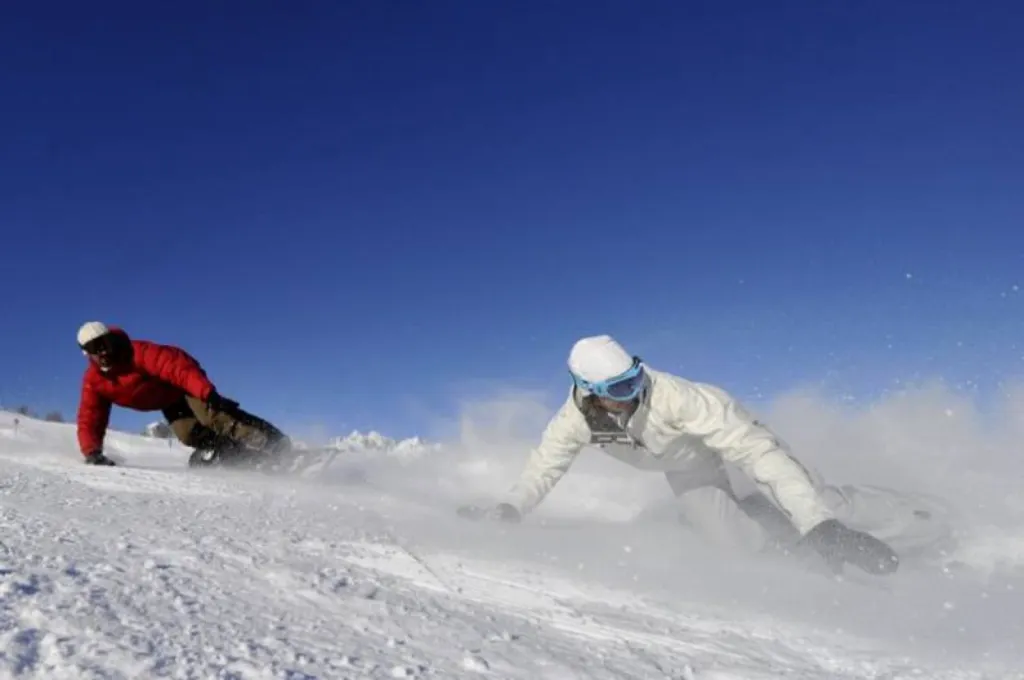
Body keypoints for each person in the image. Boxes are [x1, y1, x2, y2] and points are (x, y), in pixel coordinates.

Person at [470, 335, 956, 576]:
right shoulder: (573, 421)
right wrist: (510, 508)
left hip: (731, 443)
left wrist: (818, 523)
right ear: (589, 391)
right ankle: (802, 549)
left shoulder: (682, 399)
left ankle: (927, 519)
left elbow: (758, 455)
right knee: (737, 547)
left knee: (823, 504)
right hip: (689, 470)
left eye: (636, 377)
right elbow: (544, 467)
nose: (635, 389)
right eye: (621, 387)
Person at [75, 321, 291, 468]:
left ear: (111, 340)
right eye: (94, 348)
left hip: (183, 384)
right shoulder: (95, 382)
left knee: (214, 417)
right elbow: (90, 417)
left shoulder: (136, 352)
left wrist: (206, 393)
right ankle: (235, 454)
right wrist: (92, 451)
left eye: (104, 343)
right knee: (188, 434)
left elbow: (176, 368)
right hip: (168, 400)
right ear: (86, 353)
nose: (102, 351)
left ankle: (276, 445)